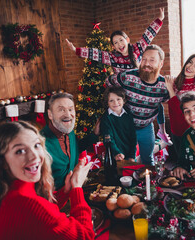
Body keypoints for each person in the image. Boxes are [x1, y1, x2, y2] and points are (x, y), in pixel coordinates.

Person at [0, 121, 94, 240]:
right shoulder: (28, 204)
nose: (34, 156)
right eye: (20, 151)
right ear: (3, 162)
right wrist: (77, 188)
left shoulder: (6, 190)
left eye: (36, 145)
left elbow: (41, 217)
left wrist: (66, 191)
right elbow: (86, 236)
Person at [65, 8, 172, 145]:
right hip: (124, 91)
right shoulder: (112, 57)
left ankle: (161, 131)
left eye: (121, 40)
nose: (119, 44)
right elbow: (95, 53)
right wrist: (76, 50)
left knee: (157, 103)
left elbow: (148, 35)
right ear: (113, 47)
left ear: (127, 40)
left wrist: (160, 19)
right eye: (115, 43)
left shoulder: (138, 48)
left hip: (140, 86)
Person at [106, 44, 169, 165]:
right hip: (125, 128)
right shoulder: (128, 76)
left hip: (146, 128)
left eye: (152, 60)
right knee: (127, 161)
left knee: (148, 159)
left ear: (160, 64)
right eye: (144, 59)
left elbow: (165, 103)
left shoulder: (164, 86)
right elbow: (108, 81)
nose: (146, 63)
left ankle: (149, 183)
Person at [165, 53, 195, 157]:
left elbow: (182, 111)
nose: (190, 67)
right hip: (175, 130)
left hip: (189, 133)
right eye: (190, 62)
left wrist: (170, 90)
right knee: (180, 163)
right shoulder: (176, 83)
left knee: (189, 166)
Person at [40, 92, 79, 190]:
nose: (68, 114)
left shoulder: (69, 131)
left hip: (73, 194)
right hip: (52, 200)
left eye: (70, 109)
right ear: (50, 114)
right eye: (61, 110)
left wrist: (95, 134)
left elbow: (75, 150)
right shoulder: (40, 142)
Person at [100, 86, 137, 162]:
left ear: (123, 100)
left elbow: (133, 137)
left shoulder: (128, 115)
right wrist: (117, 153)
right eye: (111, 100)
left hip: (130, 155)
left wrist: (132, 155)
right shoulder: (106, 118)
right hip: (114, 155)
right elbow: (108, 139)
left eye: (118, 99)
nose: (115, 103)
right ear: (107, 103)